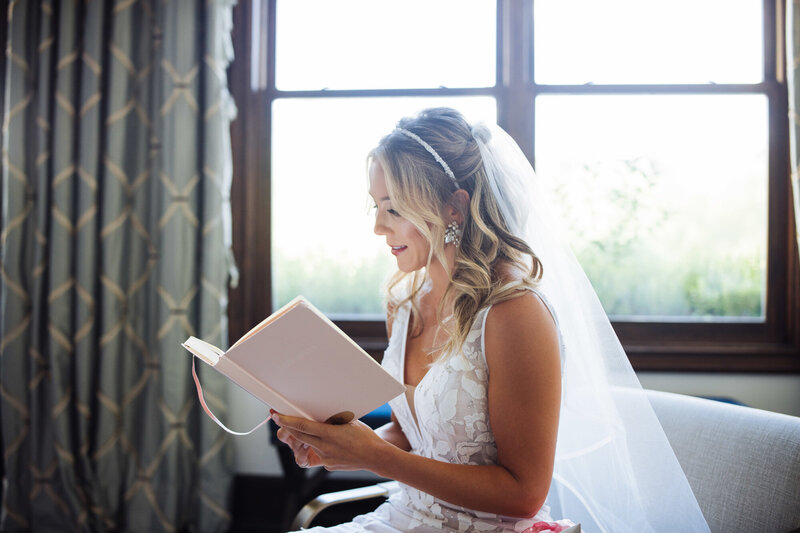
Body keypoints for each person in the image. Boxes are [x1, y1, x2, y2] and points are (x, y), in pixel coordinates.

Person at [273, 108, 711, 533]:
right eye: (376, 208)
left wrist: (376, 457)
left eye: (395, 209)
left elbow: (524, 494)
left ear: (453, 208)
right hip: (403, 518)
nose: (378, 229)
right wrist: (339, 446)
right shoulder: (404, 302)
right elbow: (420, 435)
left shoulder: (514, 315)